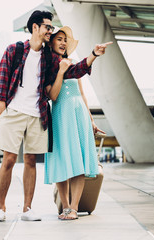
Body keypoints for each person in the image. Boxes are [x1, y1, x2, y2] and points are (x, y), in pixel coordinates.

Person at [0, 10, 112, 222]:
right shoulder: (14, 50)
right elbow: (1, 81)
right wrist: (3, 114)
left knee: (30, 160)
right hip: (14, 112)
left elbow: (73, 71)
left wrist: (93, 55)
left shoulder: (49, 57)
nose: (50, 30)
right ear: (35, 27)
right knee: (9, 159)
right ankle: (0, 208)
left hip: (37, 114)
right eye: (48, 26)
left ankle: (27, 209)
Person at [44, 26, 107, 220]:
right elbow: (52, 95)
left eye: (65, 40)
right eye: (59, 39)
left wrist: (91, 120)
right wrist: (61, 72)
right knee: (62, 160)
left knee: (78, 161)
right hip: (61, 114)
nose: (63, 42)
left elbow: (82, 93)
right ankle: (65, 207)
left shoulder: (69, 63)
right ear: (51, 42)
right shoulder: (47, 65)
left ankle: (74, 207)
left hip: (78, 113)